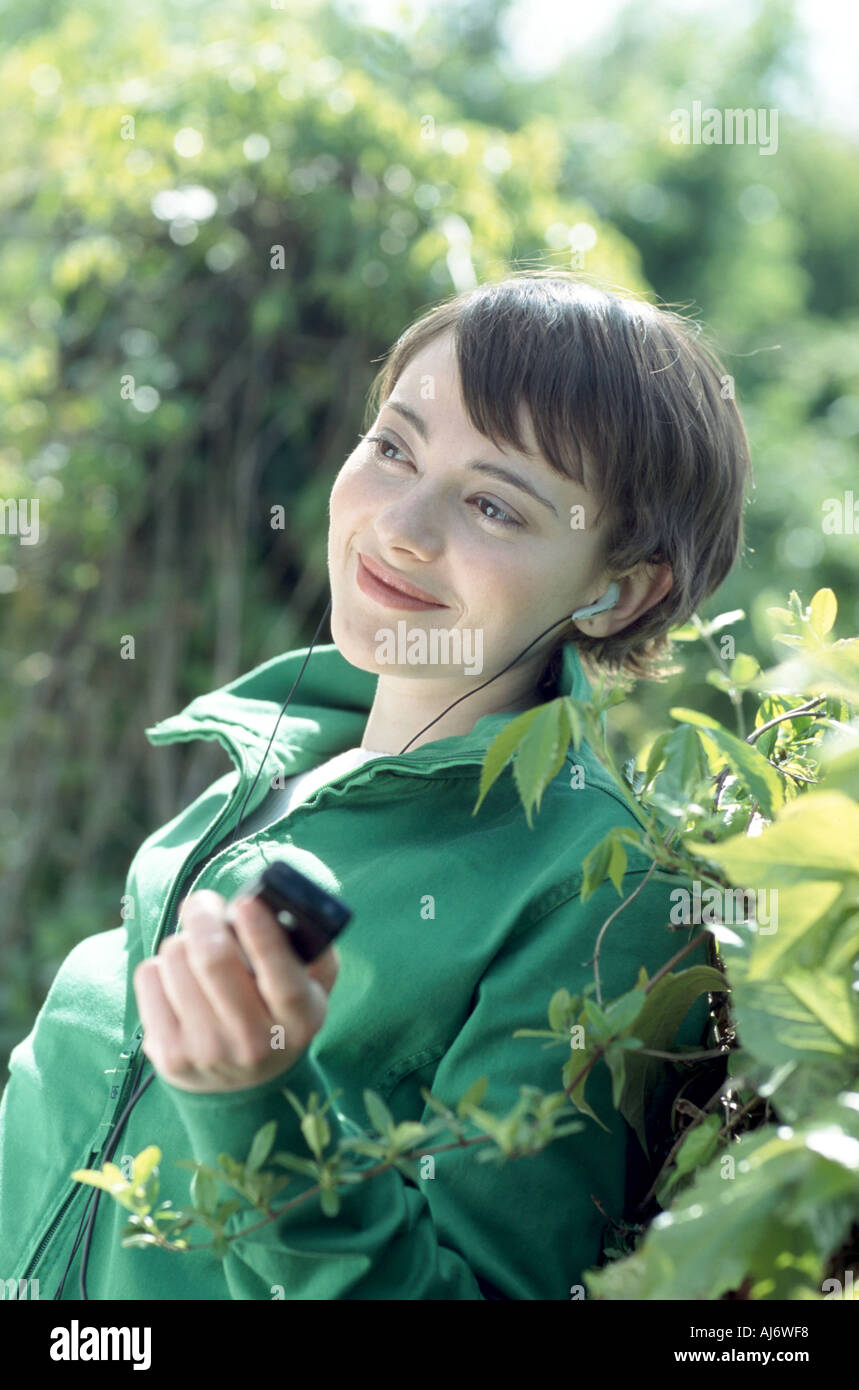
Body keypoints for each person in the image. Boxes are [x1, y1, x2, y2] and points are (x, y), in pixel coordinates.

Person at [0, 272, 750, 1300]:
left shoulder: (599, 890)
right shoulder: (273, 764)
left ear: (619, 590)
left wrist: (259, 1106)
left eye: (492, 501)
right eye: (393, 446)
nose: (400, 524)